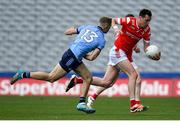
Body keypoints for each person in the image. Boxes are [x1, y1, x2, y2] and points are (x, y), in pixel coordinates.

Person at [10, 16, 112, 114]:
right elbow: (92, 58)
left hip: (70, 54)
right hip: (73, 58)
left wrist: (79, 43)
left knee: (88, 77)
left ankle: (81, 103)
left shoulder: (87, 27)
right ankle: (22, 74)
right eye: (110, 27)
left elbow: (68, 32)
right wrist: (84, 53)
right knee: (51, 77)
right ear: (107, 26)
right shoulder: (101, 40)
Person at [65, 9, 161, 113]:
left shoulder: (147, 30)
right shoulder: (130, 21)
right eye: (146, 20)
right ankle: (134, 104)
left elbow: (147, 47)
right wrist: (116, 30)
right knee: (133, 75)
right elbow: (113, 20)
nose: (147, 23)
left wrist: (153, 55)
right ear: (140, 17)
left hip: (125, 55)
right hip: (118, 51)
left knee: (107, 83)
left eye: (149, 21)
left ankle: (77, 80)